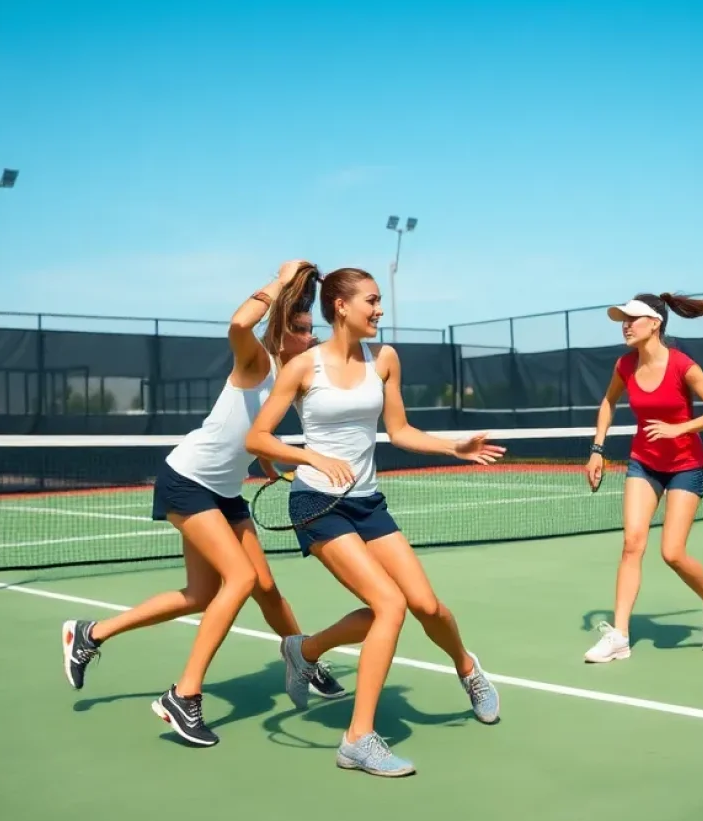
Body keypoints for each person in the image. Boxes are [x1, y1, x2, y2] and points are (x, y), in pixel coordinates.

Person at [62, 260, 346, 747]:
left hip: (223, 491)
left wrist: (266, 463)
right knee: (238, 580)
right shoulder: (256, 360)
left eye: (309, 330)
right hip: (186, 482)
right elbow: (238, 323)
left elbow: (248, 434)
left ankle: (90, 634)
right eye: (300, 329)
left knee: (249, 589)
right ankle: (184, 695)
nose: (308, 337)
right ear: (281, 329)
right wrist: (279, 282)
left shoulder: (288, 378)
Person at [245, 267, 503, 778]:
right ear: (340, 306)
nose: (380, 309)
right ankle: (357, 739)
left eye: (379, 301)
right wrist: (312, 459)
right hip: (317, 505)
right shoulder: (302, 367)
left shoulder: (383, 359)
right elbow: (257, 439)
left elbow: (400, 430)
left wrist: (454, 445)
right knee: (389, 605)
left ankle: (463, 668)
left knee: (426, 605)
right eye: (372, 300)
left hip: (367, 502)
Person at [582, 292, 703, 664]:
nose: (626, 324)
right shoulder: (624, 365)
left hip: (686, 465)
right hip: (643, 463)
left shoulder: (683, 365)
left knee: (672, 553)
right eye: (623, 318)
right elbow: (608, 402)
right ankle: (619, 635)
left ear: (655, 323)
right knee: (632, 544)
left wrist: (679, 428)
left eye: (633, 318)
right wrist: (597, 449)